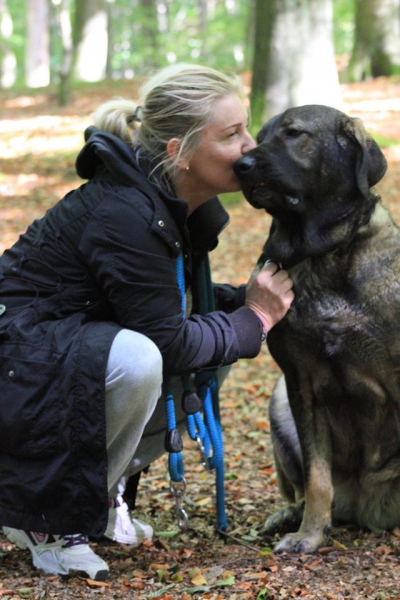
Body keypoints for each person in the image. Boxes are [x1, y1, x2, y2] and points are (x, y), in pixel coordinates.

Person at [0, 63, 294, 580]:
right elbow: (167, 341)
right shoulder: (126, 212)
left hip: (52, 353)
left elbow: (156, 306)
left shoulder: (163, 199)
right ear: (178, 151)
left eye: (247, 127)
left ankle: (94, 488)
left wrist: (239, 309)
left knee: (214, 338)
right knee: (143, 358)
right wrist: (254, 319)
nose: (251, 146)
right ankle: (44, 519)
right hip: (17, 356)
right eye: (231, 135)